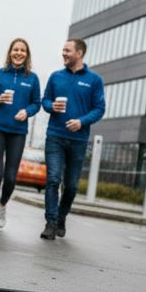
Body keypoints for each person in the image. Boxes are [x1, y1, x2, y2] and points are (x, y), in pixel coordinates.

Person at [39, 38, 105, 240]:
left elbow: (99, 109)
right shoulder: (56, 76)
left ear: (79, 53)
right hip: (55, 136)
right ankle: (50, 223)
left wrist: (81, 122)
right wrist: (51, 106)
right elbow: (45, 100)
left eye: (67, 50)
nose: (64, 53)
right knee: (53, 179)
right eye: (63, 50)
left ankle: (61, 217)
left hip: (78, 140)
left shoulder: (94, 80)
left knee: (72, 186)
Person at [0, 39, 40, 231]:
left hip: (18, 132)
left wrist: (27, 112)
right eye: (15, 49)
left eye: (22, 50)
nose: (18, 53)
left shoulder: (32, 78)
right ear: (10, 52)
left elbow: (36, 103)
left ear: (27, 54)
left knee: (11, 177)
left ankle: (2, 205)